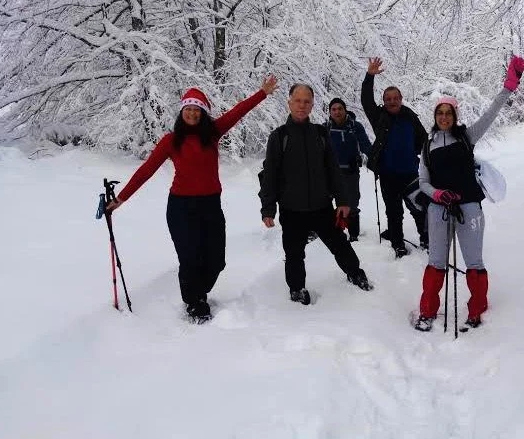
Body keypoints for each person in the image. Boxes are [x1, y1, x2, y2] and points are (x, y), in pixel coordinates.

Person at [106, 75, 279, 322]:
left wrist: (262, 93)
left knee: (216, 261)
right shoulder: (171, 141)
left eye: (197, 109)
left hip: (210, 206)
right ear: (182, 112)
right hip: (181, 208)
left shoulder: (213, 133)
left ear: (203, 113)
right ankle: (194, 302)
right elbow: (146, 170)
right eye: (188, 108)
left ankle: (199, 292)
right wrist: (121, 199)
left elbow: (238, 112)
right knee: (189, 259)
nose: (192, 113)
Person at [414, 55, 524, 332]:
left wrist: (509, 87)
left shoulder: (467, 137)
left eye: (448, 113)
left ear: (455, 116)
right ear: (435, 116)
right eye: (440, 113)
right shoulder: (427, 146)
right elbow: (423, 182)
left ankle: (477, 308)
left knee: (474, 261)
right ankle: (427, 311)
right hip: (438, 209)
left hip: (469, 208)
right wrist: (438, 195)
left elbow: (491, 113)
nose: (444, 117)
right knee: (436, 261)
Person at [259, 84, 374, 305]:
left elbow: (333, 170)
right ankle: (297, 288)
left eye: (307, 101)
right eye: (298, 101)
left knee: (339, 244)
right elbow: (270, 175)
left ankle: (355, 273)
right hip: (291, 209)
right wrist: (268, 208)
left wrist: (342, 200)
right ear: (289, 102)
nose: (302, 105)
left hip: (322, 206)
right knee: (294, 253)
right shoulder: (279, 136)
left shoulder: (321, 134)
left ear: (312, 105)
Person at [361, 57, 428, 258]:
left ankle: (426, 239)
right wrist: (369, 76)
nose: (392, 101)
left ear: (401, 98)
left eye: (395, 98)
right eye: (388, 98)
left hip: (411, 174)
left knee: (419, 208)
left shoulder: (410, 117)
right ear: (384, 101)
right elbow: (366, 101)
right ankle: (398, 244)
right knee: (394, 212)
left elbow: (424, 141)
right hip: (388, 174)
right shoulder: (379, 117)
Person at [325, 98, 373, 242]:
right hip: (330, 173)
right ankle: (331, 231)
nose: (337, 112)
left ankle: (353, 235)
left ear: (345, 110)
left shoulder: (355, 126)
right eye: (333, 109)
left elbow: (366, 146)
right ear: (330, 112)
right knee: (326, 202)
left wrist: (376, 161)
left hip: (350, 172)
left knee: (352, 203)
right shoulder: (325, 128)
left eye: (340, 109)